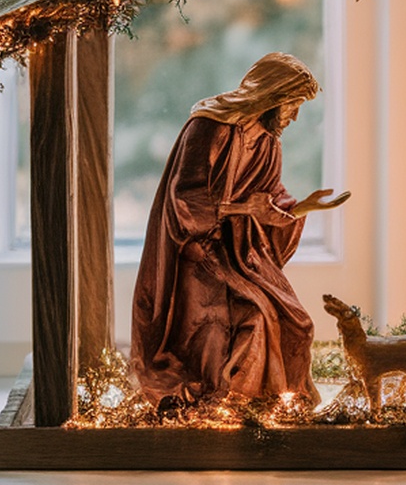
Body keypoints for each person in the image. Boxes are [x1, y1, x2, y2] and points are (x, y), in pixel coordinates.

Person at [131, 52, 348, 408]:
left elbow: (270, 200)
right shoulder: (209, 126)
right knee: (254, 316)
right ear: (271, 97)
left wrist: (305, 206)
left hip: (241, 254)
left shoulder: (268, 143)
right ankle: (231, 405)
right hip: (198, 256)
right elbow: (185, 197)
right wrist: (243, 208)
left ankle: (264, 404)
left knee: (297, 322)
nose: (294, 116)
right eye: (292, 105)